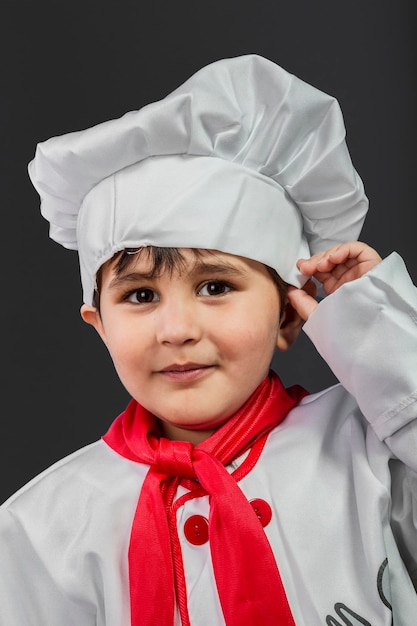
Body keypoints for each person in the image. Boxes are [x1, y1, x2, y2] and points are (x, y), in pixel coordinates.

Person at [0, 54, 416, 626]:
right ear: (100, 327)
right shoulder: (40, 526)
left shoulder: (371, 450)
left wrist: (379, 327)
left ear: (290, 316)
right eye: (141, 296)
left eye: (215, 286)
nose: (177, 330)